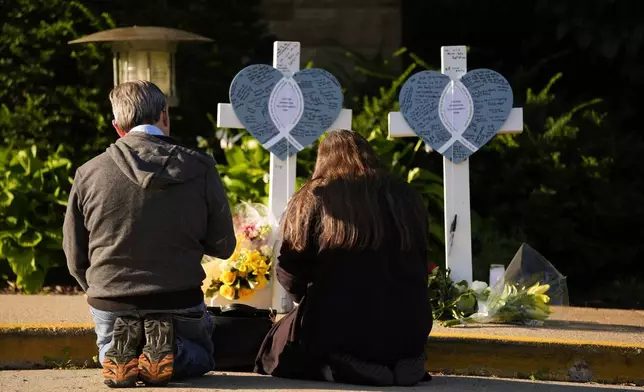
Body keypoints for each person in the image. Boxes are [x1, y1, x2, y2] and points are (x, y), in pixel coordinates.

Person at [63, 81, 235, 388]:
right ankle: (171, 349)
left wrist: (102, 287)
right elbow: (223, 246)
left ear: (118, 127)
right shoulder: (201, 168)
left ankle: (121, 352)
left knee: (111, 350)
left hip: (110, 302)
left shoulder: (88, 173)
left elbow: (75, 255)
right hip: (178, 299)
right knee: (203, 357)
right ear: (164, 115)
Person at [255, 129, 433, 386]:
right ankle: (404, 362)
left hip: (342, 327)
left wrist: (305, 302)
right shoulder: (407, 195)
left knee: (276, 346)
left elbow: (289, 269)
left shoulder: (316, 194)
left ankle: (338, 368)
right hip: (408, 327)